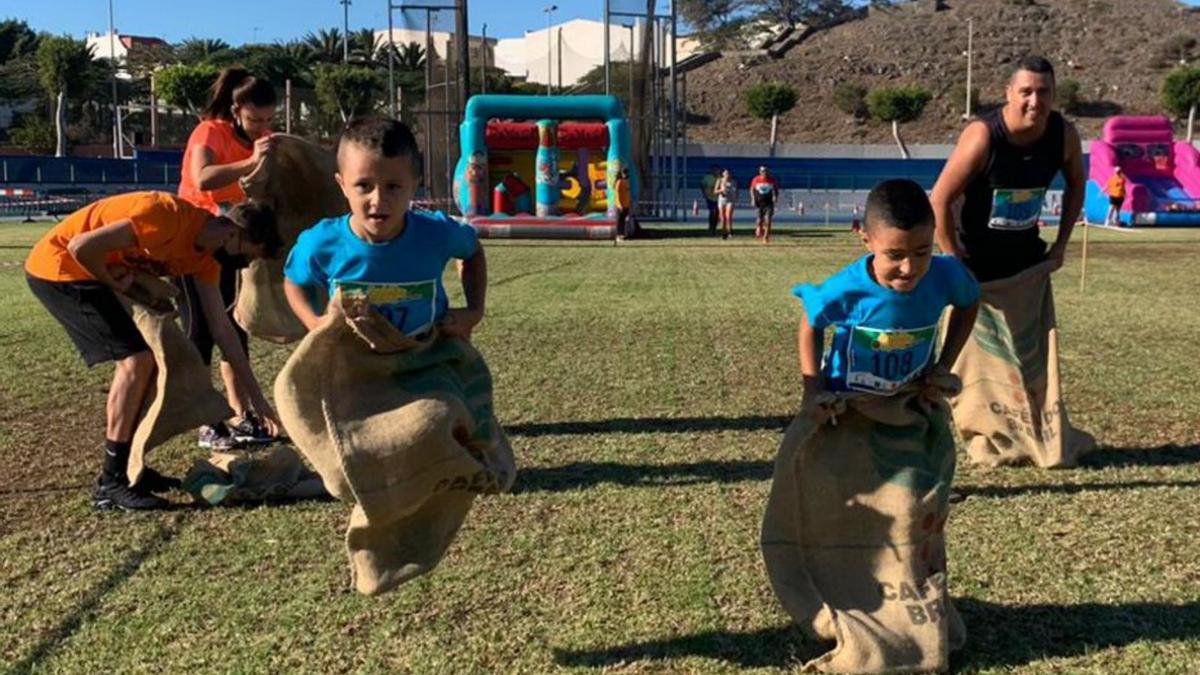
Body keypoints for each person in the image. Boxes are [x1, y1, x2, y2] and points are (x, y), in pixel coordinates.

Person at [25, 191, 284, 510]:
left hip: (90, 272)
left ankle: (132, 471)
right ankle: (111, 483)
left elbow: (223, 331)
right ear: (233, 233)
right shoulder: (166, 215)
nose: (243, 266)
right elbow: (82, 247)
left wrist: (258, 402)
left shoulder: (203, 260)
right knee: (136, 362)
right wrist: (122, 284)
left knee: (157, 365)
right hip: (59, 269)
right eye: (246, 258)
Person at [283, 117, 486, 344]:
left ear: (414, 184)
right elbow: (294, 281)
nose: (378, 200)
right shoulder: (322, 243)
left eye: (393, 187)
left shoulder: (437, 233)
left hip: (426, 361)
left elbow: (472, 252)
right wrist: (313, 322)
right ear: (342, 185)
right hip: (354, 367)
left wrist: (474, 311)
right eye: (364, 186)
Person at [793, 179, 980, 419]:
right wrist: (813, 390)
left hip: (911, 402)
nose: (909, 267)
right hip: (849, 408)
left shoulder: (947, 275)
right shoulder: (846, 288)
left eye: (922, 252)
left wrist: (944, 365)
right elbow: (811, 321)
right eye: (895, 255)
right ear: (867, 241)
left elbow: (969, 302)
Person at [177, 66, 279, 450]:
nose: (261, 126)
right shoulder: (209, 132)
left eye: (269, 119)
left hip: (230, 247)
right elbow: (202, 178)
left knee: (234, 329)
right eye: (255, 119)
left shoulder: (263, 139)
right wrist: (252, 161)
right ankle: (206, 421)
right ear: (236, 110)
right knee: (200, 333)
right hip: (192, 245)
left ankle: (241, 415)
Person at [930, 55, 1084, 282]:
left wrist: (1060, 245)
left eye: (1043, 92)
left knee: (1037, 319)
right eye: (1026, 92)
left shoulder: (1064, 134)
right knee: (964, 319)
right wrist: (952, 256)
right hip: (973, 265)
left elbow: (1077, 184)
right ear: (1009, 93)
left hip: (1027, 263)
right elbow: (939, 199)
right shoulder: (982, 136)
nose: (1035, 101)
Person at [750, 165, 781, 243]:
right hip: (759, 202)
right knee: (759, 220)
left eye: (766, 171)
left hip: (769, 203)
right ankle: (758, 227)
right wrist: (753, 199)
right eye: (763, 171)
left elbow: (775, 189)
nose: (765, 173)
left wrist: (775, 196)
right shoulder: (756, 179)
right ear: (760, 172)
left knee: (768, 219)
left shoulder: (772, 180)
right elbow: (752, 190)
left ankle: (766, 236)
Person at [714, 168, 737, 240]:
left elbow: (736, 190)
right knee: (722, 218)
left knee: (728, 216)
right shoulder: (719, 180)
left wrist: (735, 196)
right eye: (726, 173)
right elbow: (715, 191)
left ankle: (730, 231)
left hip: (730, 200)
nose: (728, 175)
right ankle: (724, 233)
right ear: (723, 174)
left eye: (729, 173)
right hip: (722, 200)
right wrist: (721, 190)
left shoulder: (733, 181)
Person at [614, 166, 633, 241]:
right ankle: (618, 235)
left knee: (624, 220)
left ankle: (622, 234)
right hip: (621, 205)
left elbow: (628, 193)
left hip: (626, 204)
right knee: (620, 221)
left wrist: (629, 203)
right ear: (621, 173)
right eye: (624, 173)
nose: (625, 174)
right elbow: (617, 195)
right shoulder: (619, 182)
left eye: (626, 172)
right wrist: (619, 205)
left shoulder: (627, 181)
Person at [700, 165, 720, 235]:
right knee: (712, 212)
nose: (716, 172)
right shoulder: (707, 177)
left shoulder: (719, 178)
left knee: (717, 213)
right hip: (710, 198)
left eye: (717, 170)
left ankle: (714, 228)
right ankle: (711, 227)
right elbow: (702, 185)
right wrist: (704, 193)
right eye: (714, 170)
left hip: (718, 198)